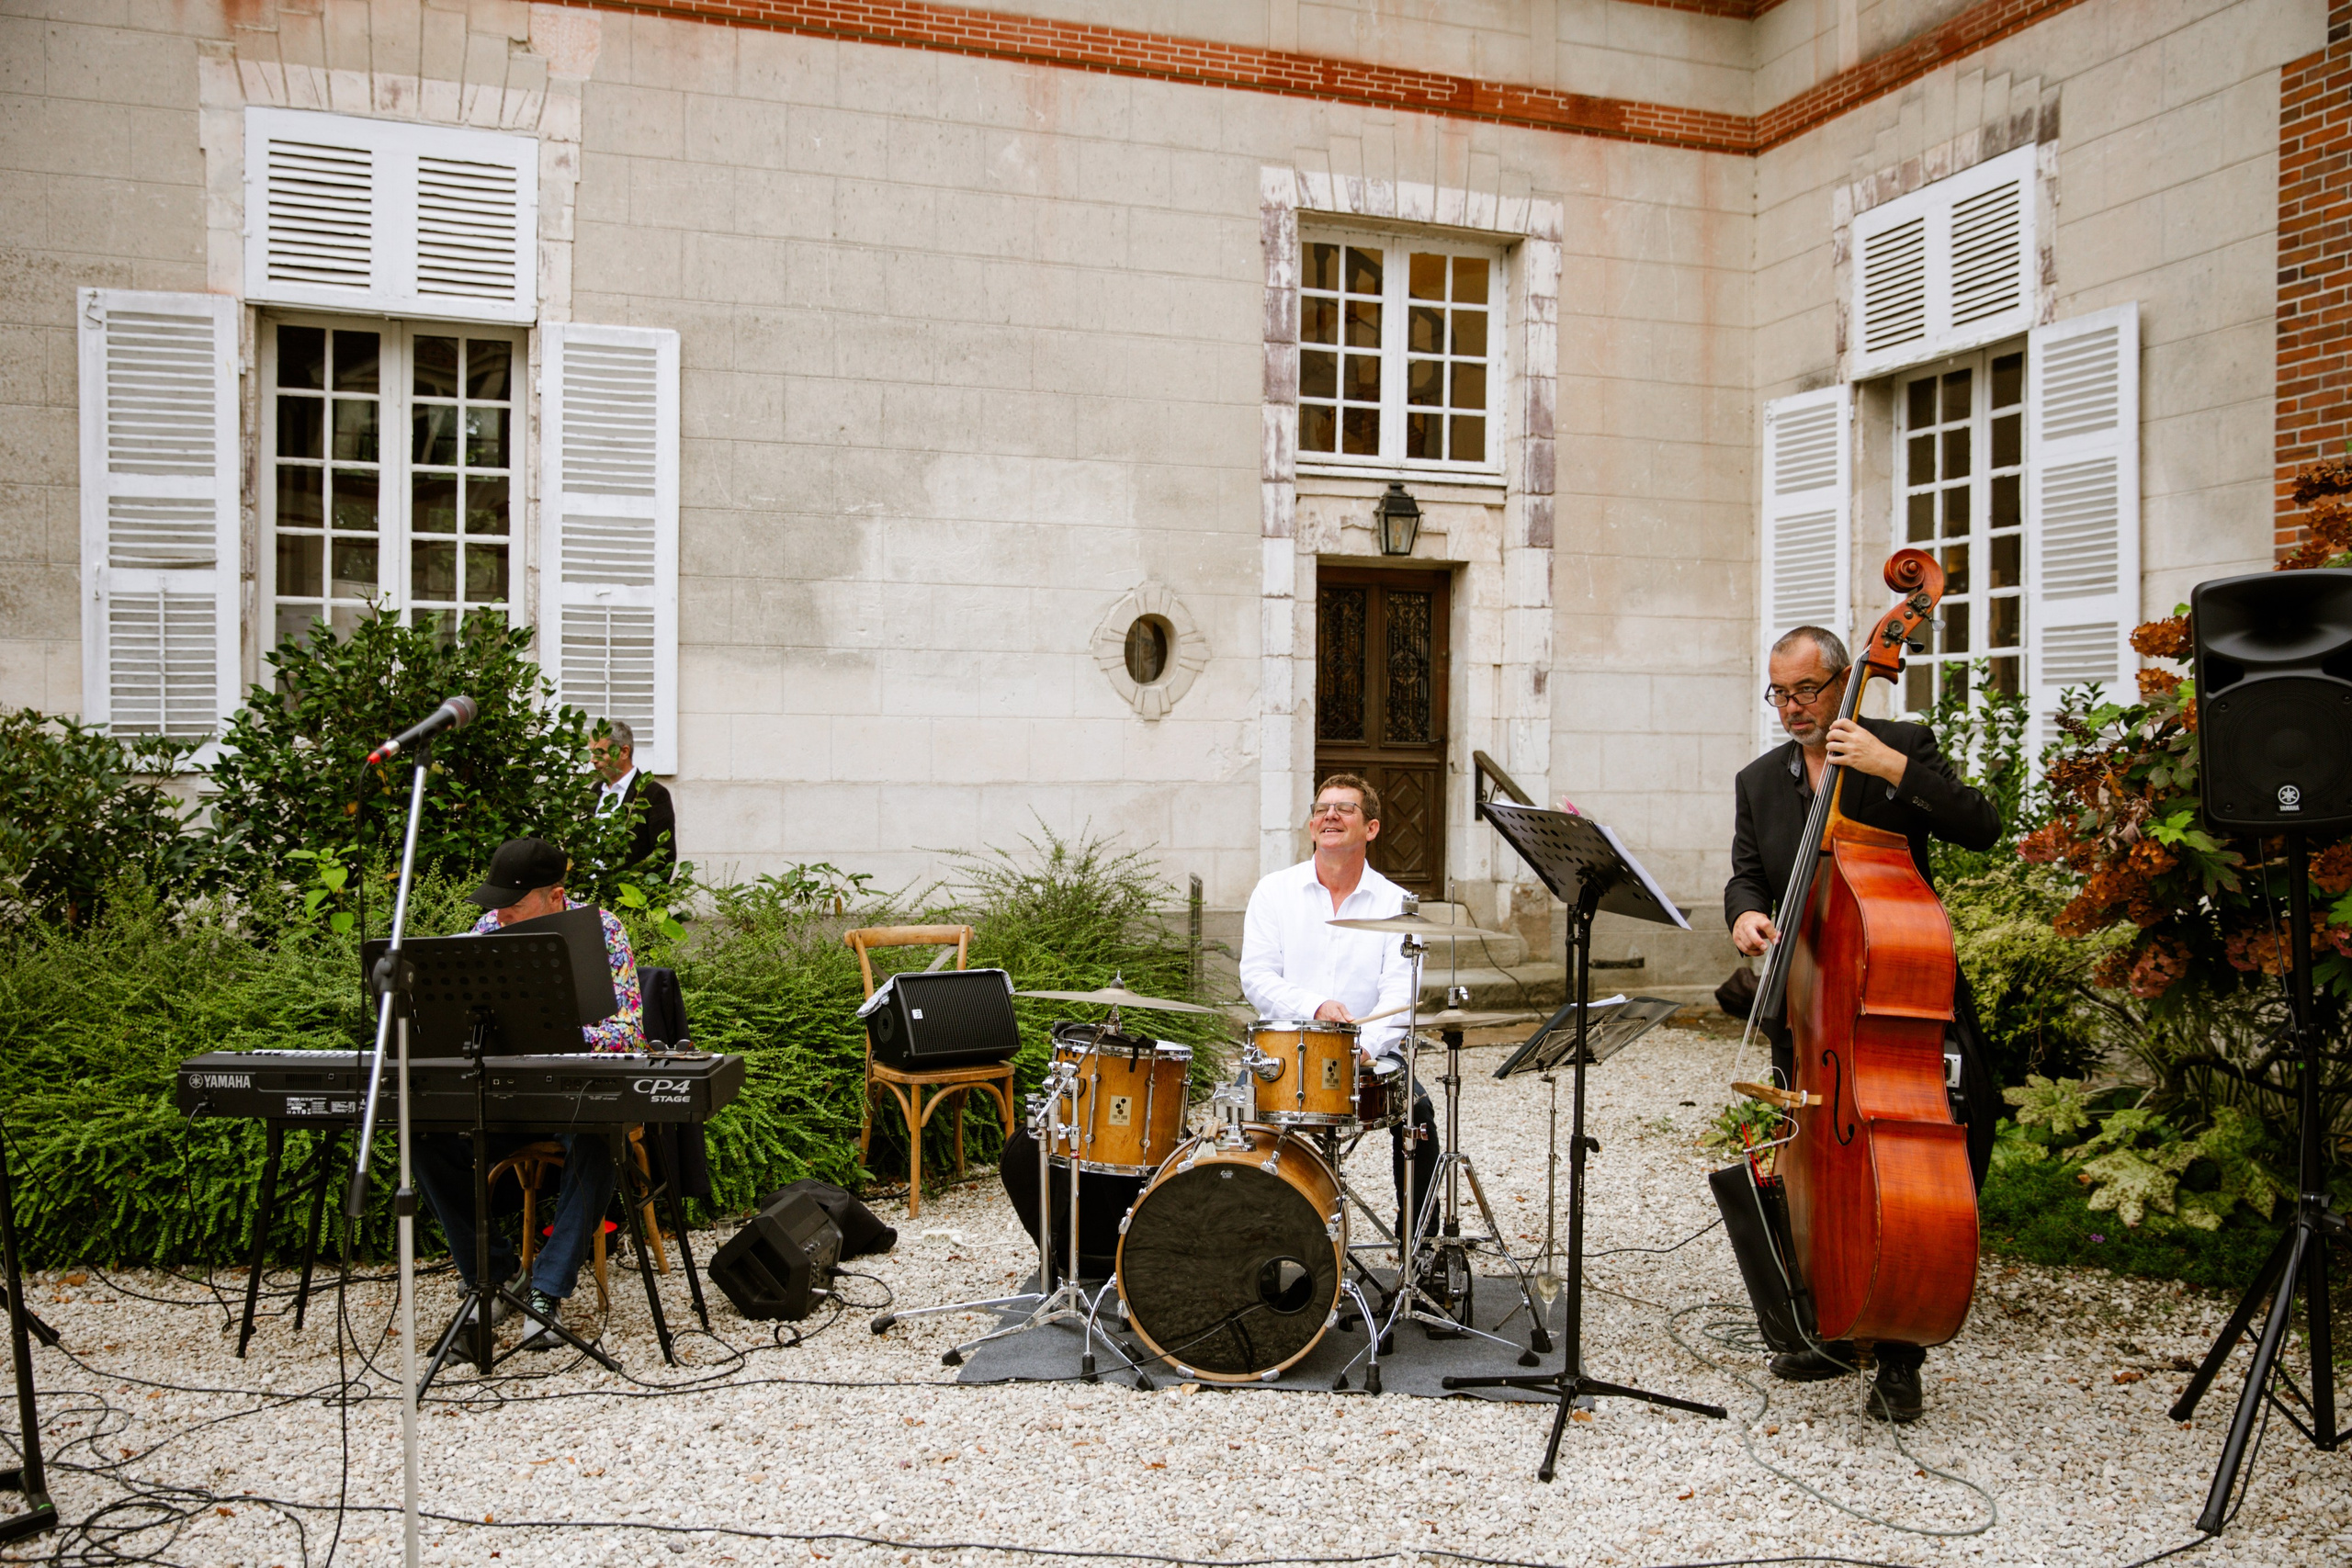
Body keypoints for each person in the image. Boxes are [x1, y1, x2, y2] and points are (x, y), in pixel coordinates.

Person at [1724, 626, 2003, 1424]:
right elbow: (1747, 872)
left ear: (1847, 681)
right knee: (1809, 1168)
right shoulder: (1759, 779)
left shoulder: (1901, 745)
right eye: (1777, 692)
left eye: (1805, 691)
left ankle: (1900, 1350)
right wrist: (1745, 915)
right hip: (1811, 1010)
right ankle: (1824, 1322)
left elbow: (1981, 825)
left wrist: (1890, 767)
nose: (1790, 708)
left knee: (1924, 1169)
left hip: (1897, 999)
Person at [410, 837, 646, 1351]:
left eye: (513, 906)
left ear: (555, 896)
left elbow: (629, 1032)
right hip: (500, 1098)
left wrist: (558, 1032)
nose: (501, 916)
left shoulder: (603, 931)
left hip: (575, 1095)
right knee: (423, 1134)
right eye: (496, 905)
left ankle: (546, 1289)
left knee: (601, 1137)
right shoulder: (487, 929)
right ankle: (487, 1277)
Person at [1238, 774, 1439, 1246]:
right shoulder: (1273, 892)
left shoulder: (1397, 905)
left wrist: (1361, 1047)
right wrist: (1316, 1007)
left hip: (1367, 1058)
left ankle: (1420, 1253)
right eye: (1322, 808)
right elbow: (1258, 977)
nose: (1330, 815)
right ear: (1311, 827)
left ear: (1370, 829)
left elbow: (1399, 993)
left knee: (1420, 1115)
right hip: (1284, 1052)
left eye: (1345, 809)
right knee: (1238, 1124)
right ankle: (1249, 1249)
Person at [592, 719, 676, 874]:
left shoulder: (654, 794)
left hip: (629, 895)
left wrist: (637, 897)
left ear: (624, 752)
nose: (593, 760)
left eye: (601, 753)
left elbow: (664, 855)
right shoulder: (596, 790)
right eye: (592, 753)